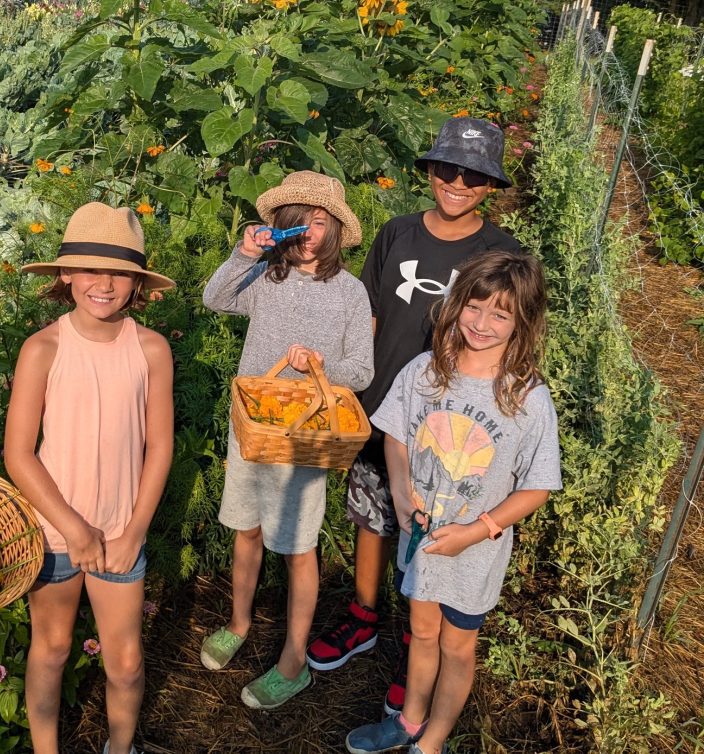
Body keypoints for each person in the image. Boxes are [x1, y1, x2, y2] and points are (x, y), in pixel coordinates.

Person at [306, 117, 524, 716]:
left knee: (428, 533)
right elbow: (371, 317)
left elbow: (513, 336)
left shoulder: (501, 254)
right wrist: (351, 392)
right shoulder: (396, 234)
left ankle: (415, 643)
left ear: (490, 184)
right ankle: (363, 616)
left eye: (474, 174)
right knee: (374, 514)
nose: (457, 182)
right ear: (429, 170)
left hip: (447, 428)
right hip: (383, 408)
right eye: (447, 169)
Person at [344, 249, 561, 754]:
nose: (482, 324)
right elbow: (396, 435)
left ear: (523, 322)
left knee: (457, 647)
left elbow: (537, 485)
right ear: (457, 303)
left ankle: (432, 742)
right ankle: (410, 720)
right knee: (421, 632)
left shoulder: (525, 396)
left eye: (500, 314)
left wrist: (477, 530)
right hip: (421, 538)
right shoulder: (427, 370)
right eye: (474, 307)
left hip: (472, 552)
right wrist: (400, 490)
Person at [3, 202, 174, 754]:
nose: (104, 283)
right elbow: (18, 454)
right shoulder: (42, 349)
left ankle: (119, 747)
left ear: (137, 283)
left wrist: (133, 531)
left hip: (122, 532)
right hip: (55, 533)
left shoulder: (151, 349)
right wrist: (74, 529)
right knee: (50, 649)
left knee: (125, 661)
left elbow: (160, 445)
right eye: (91, 269)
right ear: (66, 275)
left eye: (120, 272)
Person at [200, 171, 375, 710]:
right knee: (246, 531)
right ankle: (238, 622)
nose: (307, 233)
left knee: (299, 548)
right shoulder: (265, 279)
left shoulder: (349, 292)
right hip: (253, 431)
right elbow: (214, 297)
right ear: (279, 228)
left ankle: (294, 661)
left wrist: (322, 366)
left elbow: (362, 371)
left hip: (305, 440)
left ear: (336, 229)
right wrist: (243, 252)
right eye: (296, 223)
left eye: (319, 222)